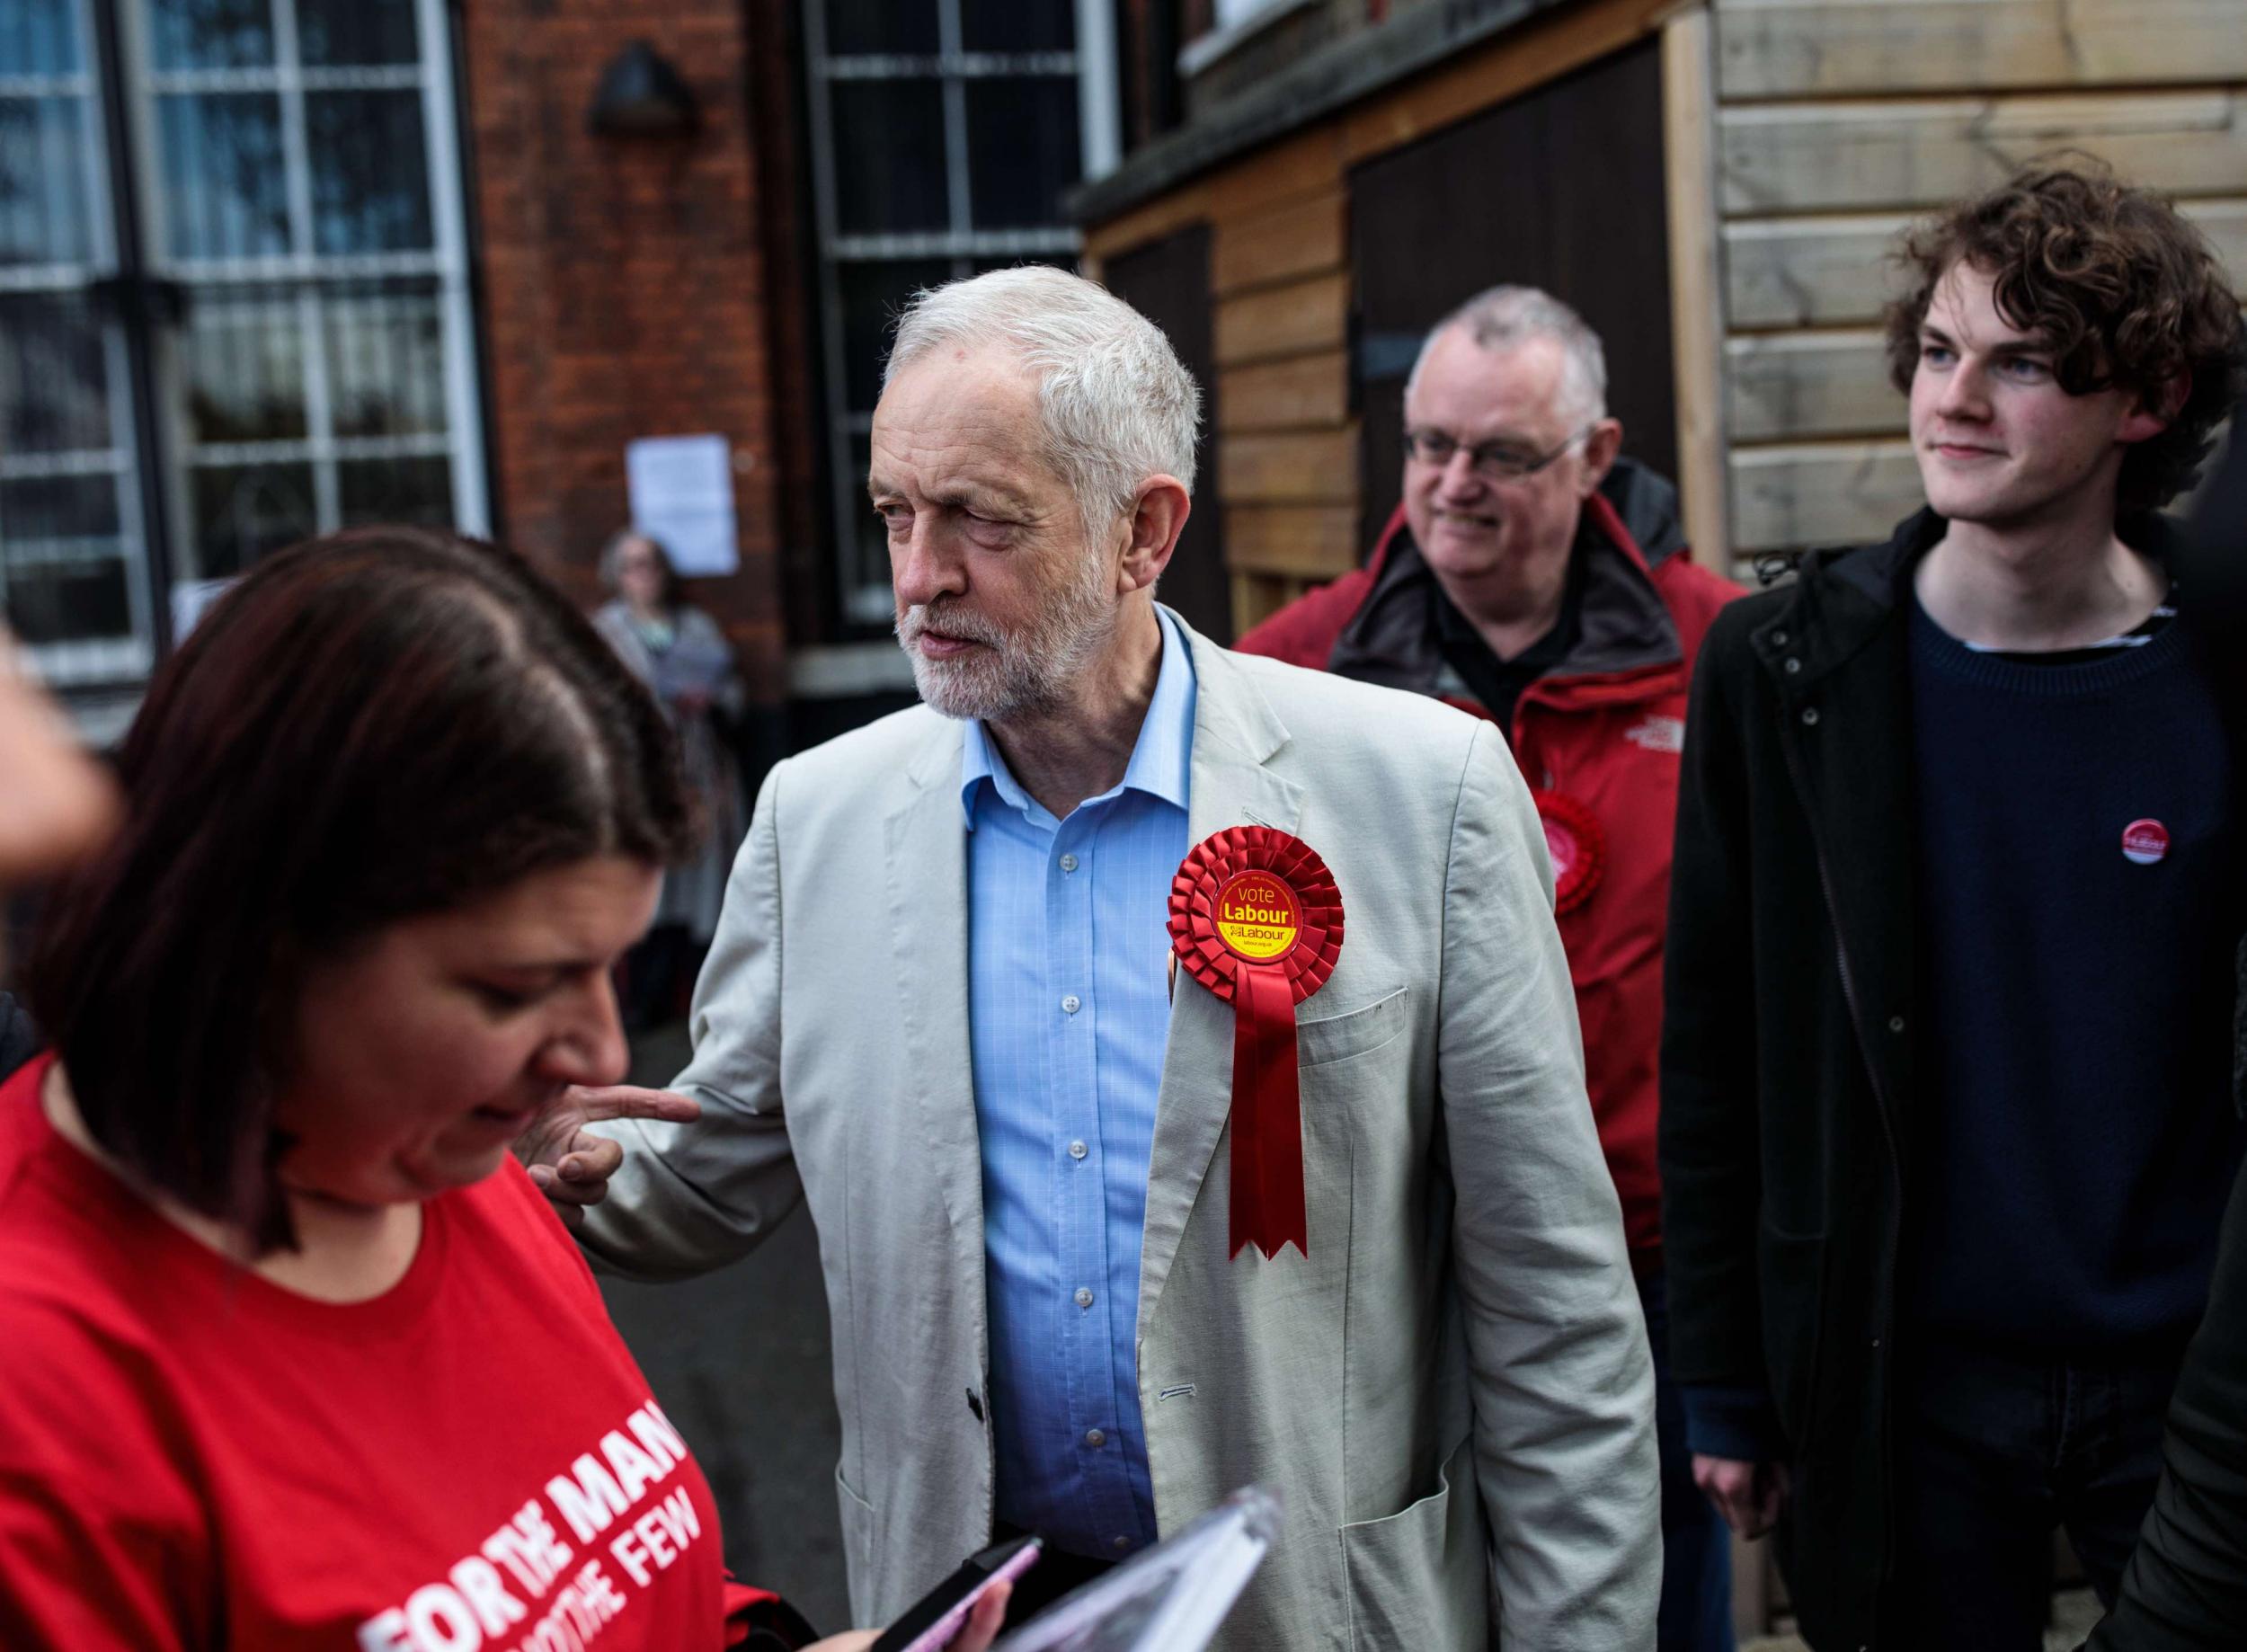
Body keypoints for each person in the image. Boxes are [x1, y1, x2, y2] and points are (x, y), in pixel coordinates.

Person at [531, 265, 1660, 1649]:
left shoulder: (1420, 795)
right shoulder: (814, 821)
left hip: (1316, 1607)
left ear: (1144, 530)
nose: (917, 575)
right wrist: (526, 1150)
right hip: (965, 1608)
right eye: (894, 511)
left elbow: (1557, 1319)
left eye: (978, 521)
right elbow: (702, 1176)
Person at [0, 526, 1005, 1652]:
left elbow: (606, 1591)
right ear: (256, 937)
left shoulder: (459, 1172)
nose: (596, 1046)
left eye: (611, 967)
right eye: (513, 985)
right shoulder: (44, 1396)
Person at [1661, 166, 2246, 1651]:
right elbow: (1720, 1039)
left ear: (2150, 397)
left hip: (2192, 1376)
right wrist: (1726, 1379)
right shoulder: (1787, 670)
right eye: (1938, 350)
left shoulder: (2228, 671)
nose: (1957, 399)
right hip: (1905, 1370)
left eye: (2025, 361)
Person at [1237, 285, 1742, 1651]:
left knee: (1652, 1589)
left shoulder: (1722, 654)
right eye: (1428, 446)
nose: (1453, 486)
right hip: (1394, 1247)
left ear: (1597, 454)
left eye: (1504, 456)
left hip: (1651, 1251)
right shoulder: (1301, 669)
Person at [593, 530, 749, 1031]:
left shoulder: (696, 625)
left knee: (705, 880)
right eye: (633, 565)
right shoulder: (604, 633)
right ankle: (643, 1005)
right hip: (642, 777)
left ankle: (700, 1003)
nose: (646, 574)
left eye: (653, 563)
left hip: (703, 771)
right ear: (616, 576)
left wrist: (713, 700)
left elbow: (733, 690)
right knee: (651, 881)